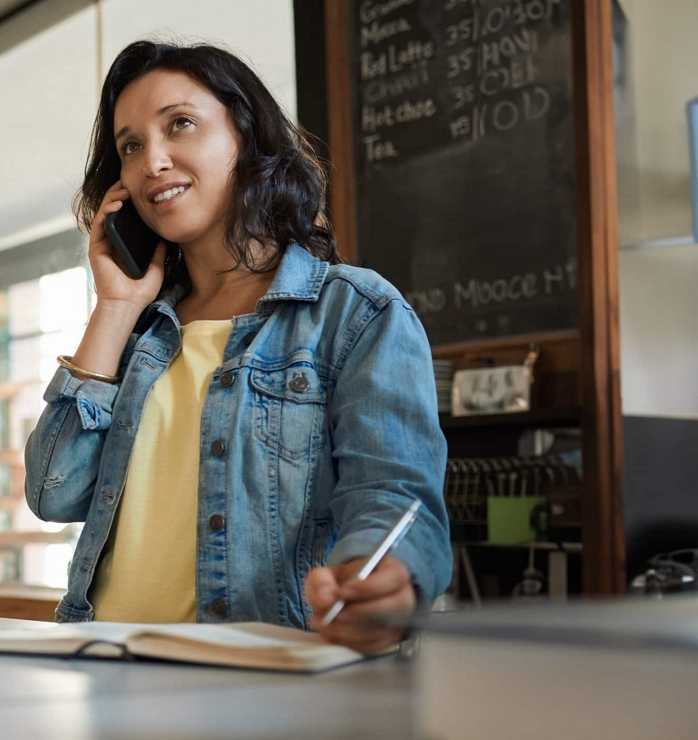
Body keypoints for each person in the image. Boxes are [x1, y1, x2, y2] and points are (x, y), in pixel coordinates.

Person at [23, 40, 450, 653]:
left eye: (181, 124)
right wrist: (116, 307)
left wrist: (381, 577)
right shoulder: (139, 330)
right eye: (131, 145)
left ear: (246, 137)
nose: (153, 161)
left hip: (262, 686)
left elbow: (392, 498)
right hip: (107, 677)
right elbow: (51, 492)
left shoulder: (354, 313)